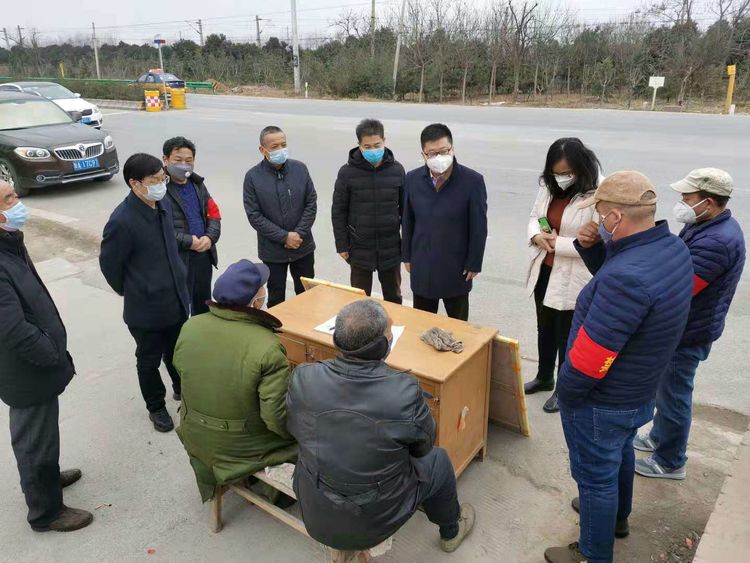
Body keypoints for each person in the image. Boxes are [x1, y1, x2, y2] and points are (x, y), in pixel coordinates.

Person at [544, 171, 694, 563]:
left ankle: (593, 553)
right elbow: (622, 285)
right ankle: (617, 518)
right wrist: (593, 247)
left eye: (600, 214)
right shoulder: (672, 249)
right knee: (620, 451)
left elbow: (592, 357)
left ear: (615, 217)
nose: (596, 221)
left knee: (595, 479)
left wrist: (568, 394)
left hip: (604, 400)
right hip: (640, 389)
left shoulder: (626, 280)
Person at [287, 300, 475, 554]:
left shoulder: (303, 376)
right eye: (389, 333)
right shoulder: (404, 392)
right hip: (372, 519)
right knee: (438, 460)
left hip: (315, 506)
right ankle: (451, 530)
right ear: (383, 346)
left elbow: (292, 426)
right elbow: (423, 447)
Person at [634, 168, 745, 480]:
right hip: (685, 325)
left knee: (674, 395)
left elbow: (680, 285)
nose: (682, 201)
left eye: (687, 197)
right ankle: (659, 436)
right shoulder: (706, 225)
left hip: (688, 332)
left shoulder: (717, 241)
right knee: (665, 390)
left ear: (708, 202)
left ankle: (670, 461)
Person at [0, 180, 92, 532]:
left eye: (14, 193)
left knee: (43, 435)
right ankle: (45, 512)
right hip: (26, 370)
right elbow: (12, 329)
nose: (17, 201)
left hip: (37, 364)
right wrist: (50, 353)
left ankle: (48, 479)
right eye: (8, 198)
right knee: (33, 441)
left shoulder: (10, 241)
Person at [174, 260, 297, 503]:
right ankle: (279, 494)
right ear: (256, 301)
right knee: (312, 436)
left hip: (195, 433)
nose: (265, 291)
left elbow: (184, 372)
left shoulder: (191, 326)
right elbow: (275, 417)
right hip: (239, 445)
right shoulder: (267, 346)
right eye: (263, 287)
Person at [100, 153, 190, 433]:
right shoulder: (122, 221)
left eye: (163, 178)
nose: (161, 185)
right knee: (149, 360)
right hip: (146, 308)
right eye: (154, 181)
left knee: (177, 351)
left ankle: (182, 389)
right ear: (135, 184)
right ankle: (156, 407)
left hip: (175, 298)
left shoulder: (162, 205)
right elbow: (109, 265)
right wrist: (134, 289)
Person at [525, 138, 602, 414]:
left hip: (574, 276)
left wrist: (557, 243)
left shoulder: (598, 195)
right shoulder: (549, 185)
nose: (561, 178)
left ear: (581, 168)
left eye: (567, 173)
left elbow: (594, 244)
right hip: (545, 268)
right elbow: (535, 216)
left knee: (566, 336)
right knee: (544, 328)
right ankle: (544, 376)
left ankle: (563, 388)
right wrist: (537, 235)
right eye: (556, 172)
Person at [402, 123, 487, 321]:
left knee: (458, 326)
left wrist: (474, 262)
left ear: (452, 149)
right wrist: (407, 255)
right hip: (423, 264)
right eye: (432, 153)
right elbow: (407, 220)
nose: (439, 157)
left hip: (456, 267)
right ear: (423, 155)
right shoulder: (413, 179)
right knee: (422, 323)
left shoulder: (472, 181)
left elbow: (479, 227)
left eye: (443, 151)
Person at [332, 118, 406, 303]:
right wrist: (342, 244)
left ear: (384, 141)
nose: (373, 150)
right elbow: (339, 211)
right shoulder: (347, 173)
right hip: (359, 248)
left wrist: (407, 247)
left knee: (394, 297)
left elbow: (406, 212)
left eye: (377, 145)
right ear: (359, 144)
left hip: (390, 247)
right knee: (360, 299)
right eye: (367, 146)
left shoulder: (397, 170)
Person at [243, 126, 317, 308]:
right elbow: (254, 215)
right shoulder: (253, 177)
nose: (280, 149)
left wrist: (298, 234)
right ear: (263, 150)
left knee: (308, 297)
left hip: (303, 246)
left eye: (283, 145)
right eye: (274, 146)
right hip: (273, 251)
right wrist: (284, 237)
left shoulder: (300, 169)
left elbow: (311, 203)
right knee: (276, 299)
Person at [163, 136, 222, 316]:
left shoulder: (197, 184)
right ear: (165, 160)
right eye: (178, 160)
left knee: (203, 306)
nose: (184, 165)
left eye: (189, 161)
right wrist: (189, 241)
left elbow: (214, 214)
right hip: (178, 259)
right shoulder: (159, 189)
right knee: (179, 309)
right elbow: (159, 228)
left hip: (203, 256)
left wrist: (210, 237)